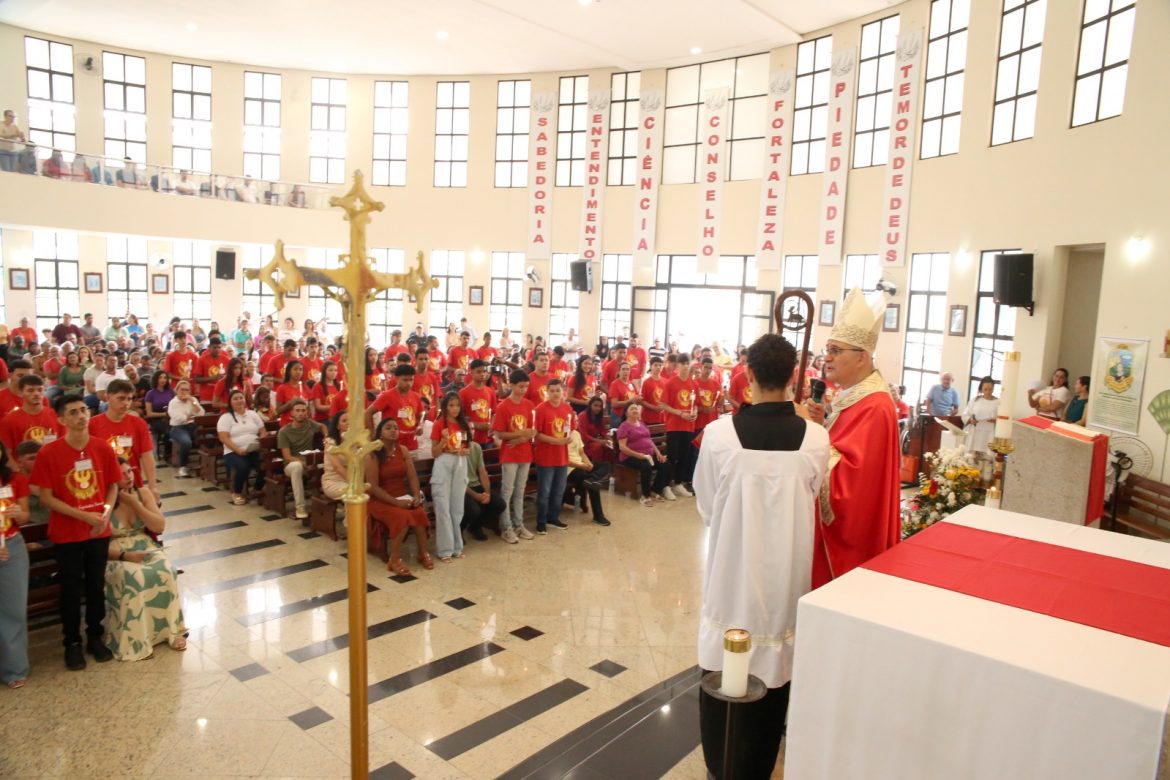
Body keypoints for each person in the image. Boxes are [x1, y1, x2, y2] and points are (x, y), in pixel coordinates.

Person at [693, 333, 830, 779]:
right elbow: (812, 496)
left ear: (747, 374)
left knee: (724, 685)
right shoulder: (815, 438)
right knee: (773, 691)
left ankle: (721, 766)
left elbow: (707, 504)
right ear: (794, 376)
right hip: (783, 587)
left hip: (732, 580)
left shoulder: (719, 435)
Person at [803, 288, 901, 588]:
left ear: (861, 357)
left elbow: (852, 483)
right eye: (827, 350)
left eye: (836, 351)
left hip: (852, 542)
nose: (827, 359)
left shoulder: (876, 406)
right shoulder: (855, 397)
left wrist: (812, 435)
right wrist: (823, 423)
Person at [31, 395, 121, 670]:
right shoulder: (49, 453)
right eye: (73, 412)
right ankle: (71, 642)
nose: (81, 416)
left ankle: (95, 636)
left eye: (84, 410)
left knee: (95, 586)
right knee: (70, 590)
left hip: (98, 531)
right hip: (67, 533)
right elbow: (46, 498)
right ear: (61, 419)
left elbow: (113, 485)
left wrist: (105, 512)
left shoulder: (102, 448)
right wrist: (83, 515)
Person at [103, 459, 186, 661]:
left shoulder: (143, 494)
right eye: (122, 474)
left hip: (144, 544)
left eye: (129, 471)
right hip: (114, 553)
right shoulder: (104, 500)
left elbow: (158, 527)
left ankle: (171, 632)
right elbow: (97, 545)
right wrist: (125, 556)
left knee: (165, 570)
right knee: (136, 576)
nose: (128, 477)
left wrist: (136, 505)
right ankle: (137, 639)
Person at [366, 417, 431, 575]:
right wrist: (396, 502)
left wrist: (415, 496)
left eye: (395, 427)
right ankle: (394, 559)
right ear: (380, 433)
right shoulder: (373, 453)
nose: (393, 430)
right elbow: (373, 487)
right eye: (388, 428)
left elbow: (412, 477)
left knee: (419, 512)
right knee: (402, 517)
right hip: (379, 499)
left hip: (400, 496)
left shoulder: (403, 450)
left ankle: (423, 554)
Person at [89, 379, 160, 503]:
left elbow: (147, 455)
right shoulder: (93, 424)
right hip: (105, 484)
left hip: (132, 482)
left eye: (129, 399)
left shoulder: (138, 424)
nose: (126, 403)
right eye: (121, 398)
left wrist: (152, 486)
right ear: (108, 397)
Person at [0, 439, 32, 688]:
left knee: (13, 611)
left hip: (11, 547)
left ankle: (14, 669)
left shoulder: (14, 480)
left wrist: (16, 514)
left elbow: (24, 515)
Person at [492, 370, 537, 543]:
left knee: (520, 491)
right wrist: (518, 436)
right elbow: (499, 433)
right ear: (512, 385)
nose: (524, 389)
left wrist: (522, 438)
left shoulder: (529, 405)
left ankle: (519, 524)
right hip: (510, 454)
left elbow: (532, 431)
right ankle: (506, 527)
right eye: (520, 386)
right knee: (507, 491)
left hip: (525, 453)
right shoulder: (504, 406)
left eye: (526, 386)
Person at [429, 393, 470, 561]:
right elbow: (434, 452)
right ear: (445, 407)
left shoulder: (462, 425)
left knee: (457, 507)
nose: (455, 409)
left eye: (457, 406)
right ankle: (445, 549)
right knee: (443, 506)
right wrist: (444, 441)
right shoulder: (439, 424)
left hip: (460, 463)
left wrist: (463, 451)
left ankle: (456, 547)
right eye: (451, 405)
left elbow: (467, 447)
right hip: (444, 463)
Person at [534, 379, 575, 533]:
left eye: (558, 390)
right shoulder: (541, 409)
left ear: (563, 391)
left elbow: (571, 428)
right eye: (552, 391)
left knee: (559, 490)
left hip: (562, 456)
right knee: (544, 491)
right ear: (547, 392)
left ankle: (553, 517)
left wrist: (569, 436)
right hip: (546, 457)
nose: (555, 393)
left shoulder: (567, 409)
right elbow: (537, 434)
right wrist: (557, 441)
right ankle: (541, 521)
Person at [217, 389, 267, 505]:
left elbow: (263, 431)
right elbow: (223, 438)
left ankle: (257, 489)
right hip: (233, 452)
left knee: (264, 466)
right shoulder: (226, 417)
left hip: (253, 449)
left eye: (241, 398)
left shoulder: (252, 414)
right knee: (243, 466)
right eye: (235, 399)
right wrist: (238, 449)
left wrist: (261, 441)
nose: (239, 400)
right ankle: (237, 492)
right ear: (230, 402)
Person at [617, 402, 672, 505]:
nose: (635, 410)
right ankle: (645, 496)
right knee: (646, 466)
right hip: (629, 457)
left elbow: (649, 439)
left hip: (647, 455)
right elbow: (622, 447)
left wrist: (658, 453)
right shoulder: (624, 426)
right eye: (631, 409)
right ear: (626, 413)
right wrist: (639, 456)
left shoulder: (641, 423)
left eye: (636, 409)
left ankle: (654, 490)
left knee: (665, 464)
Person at [278, 400, 324, 520]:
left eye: (303, 410)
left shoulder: (309, 423)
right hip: (291, 464)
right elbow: (287, 456)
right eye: (297, 411)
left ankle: (326, 501)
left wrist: (327, 437)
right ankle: (300, 507)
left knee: (327, 464)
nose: (301, 413)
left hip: (309, 459)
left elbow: (322, 426)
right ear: (291, 413)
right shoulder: (284, 431)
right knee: (297, 468)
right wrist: (303, 463)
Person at [0, 374, 64, 455]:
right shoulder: (8, 421)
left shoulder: (57, 416)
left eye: (40, 390)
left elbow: (63, 445)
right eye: (30, 390)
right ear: (21, 392)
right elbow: (7, 455)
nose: (36, 393)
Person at [367, 364, 423, 454]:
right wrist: (372, 435)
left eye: (411, 380)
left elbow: (419, 416)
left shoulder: (416, 396)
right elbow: (368, 412)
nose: (408, 383)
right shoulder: (387, 396)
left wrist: (419, 426)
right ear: (396, 379)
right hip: (391, 446)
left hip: (412, 446)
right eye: (405, 380)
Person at [663, 357, 699, 498]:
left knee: (684, 456)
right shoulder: (670, 383)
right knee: (672, 456)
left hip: (689, 425)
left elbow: (695, 403)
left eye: (687, 363)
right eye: (682, 364)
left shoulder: (693, 383)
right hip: (674, 425)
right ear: (677, 366)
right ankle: (666, 485)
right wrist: (679, 413)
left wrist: (695, 411)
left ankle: (678, 483)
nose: (685, 366)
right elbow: (664, 405)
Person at [566, 424, 611, 527]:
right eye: (574, 419)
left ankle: (592, 479)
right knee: (592, 484)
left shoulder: (576, 434)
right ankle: (598, 516)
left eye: (577, 420)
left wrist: (588, 464)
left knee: (606, 465)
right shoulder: (562, 435)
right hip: (570, 469)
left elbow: (581, 453)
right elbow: (564, 460)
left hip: (582, 464)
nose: (576, 422)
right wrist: (582, 466)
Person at [463, 439, 506, 541]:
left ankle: (475, 527)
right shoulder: (454, 450)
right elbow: (459, 481)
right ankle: (459, 530)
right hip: (461, 487)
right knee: (474, 510)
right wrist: (475, 496)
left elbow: (482, 471)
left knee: (499, 504)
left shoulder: (476, 447)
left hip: (475, 483)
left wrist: (487, 492)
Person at [166, 380, 204, 477]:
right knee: (186, 442)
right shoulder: (173, 402)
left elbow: (201, 414)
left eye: (187, 390)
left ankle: (204, 465)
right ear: (177, 390)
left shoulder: (192, 399)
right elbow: (177, 418)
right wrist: (189, 417)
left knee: (208, 437)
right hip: (178, 428)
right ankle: (183, 466)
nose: (184, 392)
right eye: (182, 390)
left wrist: (192, 401)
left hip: (193, 426)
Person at [460, 360, 497, 448]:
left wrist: (491, 425)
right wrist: (476, 425)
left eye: (484, 371)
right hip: (471, 438)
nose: (482, 374)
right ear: (471, 373)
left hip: (487, 438)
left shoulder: (490, 391)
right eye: (479, 372)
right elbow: (460, 417)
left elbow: (493, 413)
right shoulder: (464, 393)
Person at [963, 377, 999, 458]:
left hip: (989, 435)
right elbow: (965, 414)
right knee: (971, 458)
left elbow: (1002, 419)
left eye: (990, 389)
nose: (988, 392)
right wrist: (970, 420)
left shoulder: (998, 402)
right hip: (975, 433)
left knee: (987, 459)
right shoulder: (975, 400)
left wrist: (996, 421)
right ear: (981, 389)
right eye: (985, 389)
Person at [143, 371, 174, 459]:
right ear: (156, 379)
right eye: (160, 377)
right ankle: (168, 454)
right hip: (157, 419)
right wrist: (164, 414)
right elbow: (149, 413)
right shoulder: (150, 394)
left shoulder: (170, 392)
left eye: (165, 378)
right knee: (169, 429)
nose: (162, 380)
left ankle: (172, 453)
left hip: (171, 418)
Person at [320, 411, 350, 502]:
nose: (348, 423)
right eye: (344, 421)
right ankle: (351, 516)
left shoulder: (354, 441)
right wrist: (355, 483)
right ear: (338, 426)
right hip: (333, 481)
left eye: (350, 420)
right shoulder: (330, 442)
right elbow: (337, 467)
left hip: (350, 479)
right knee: (354, 491)